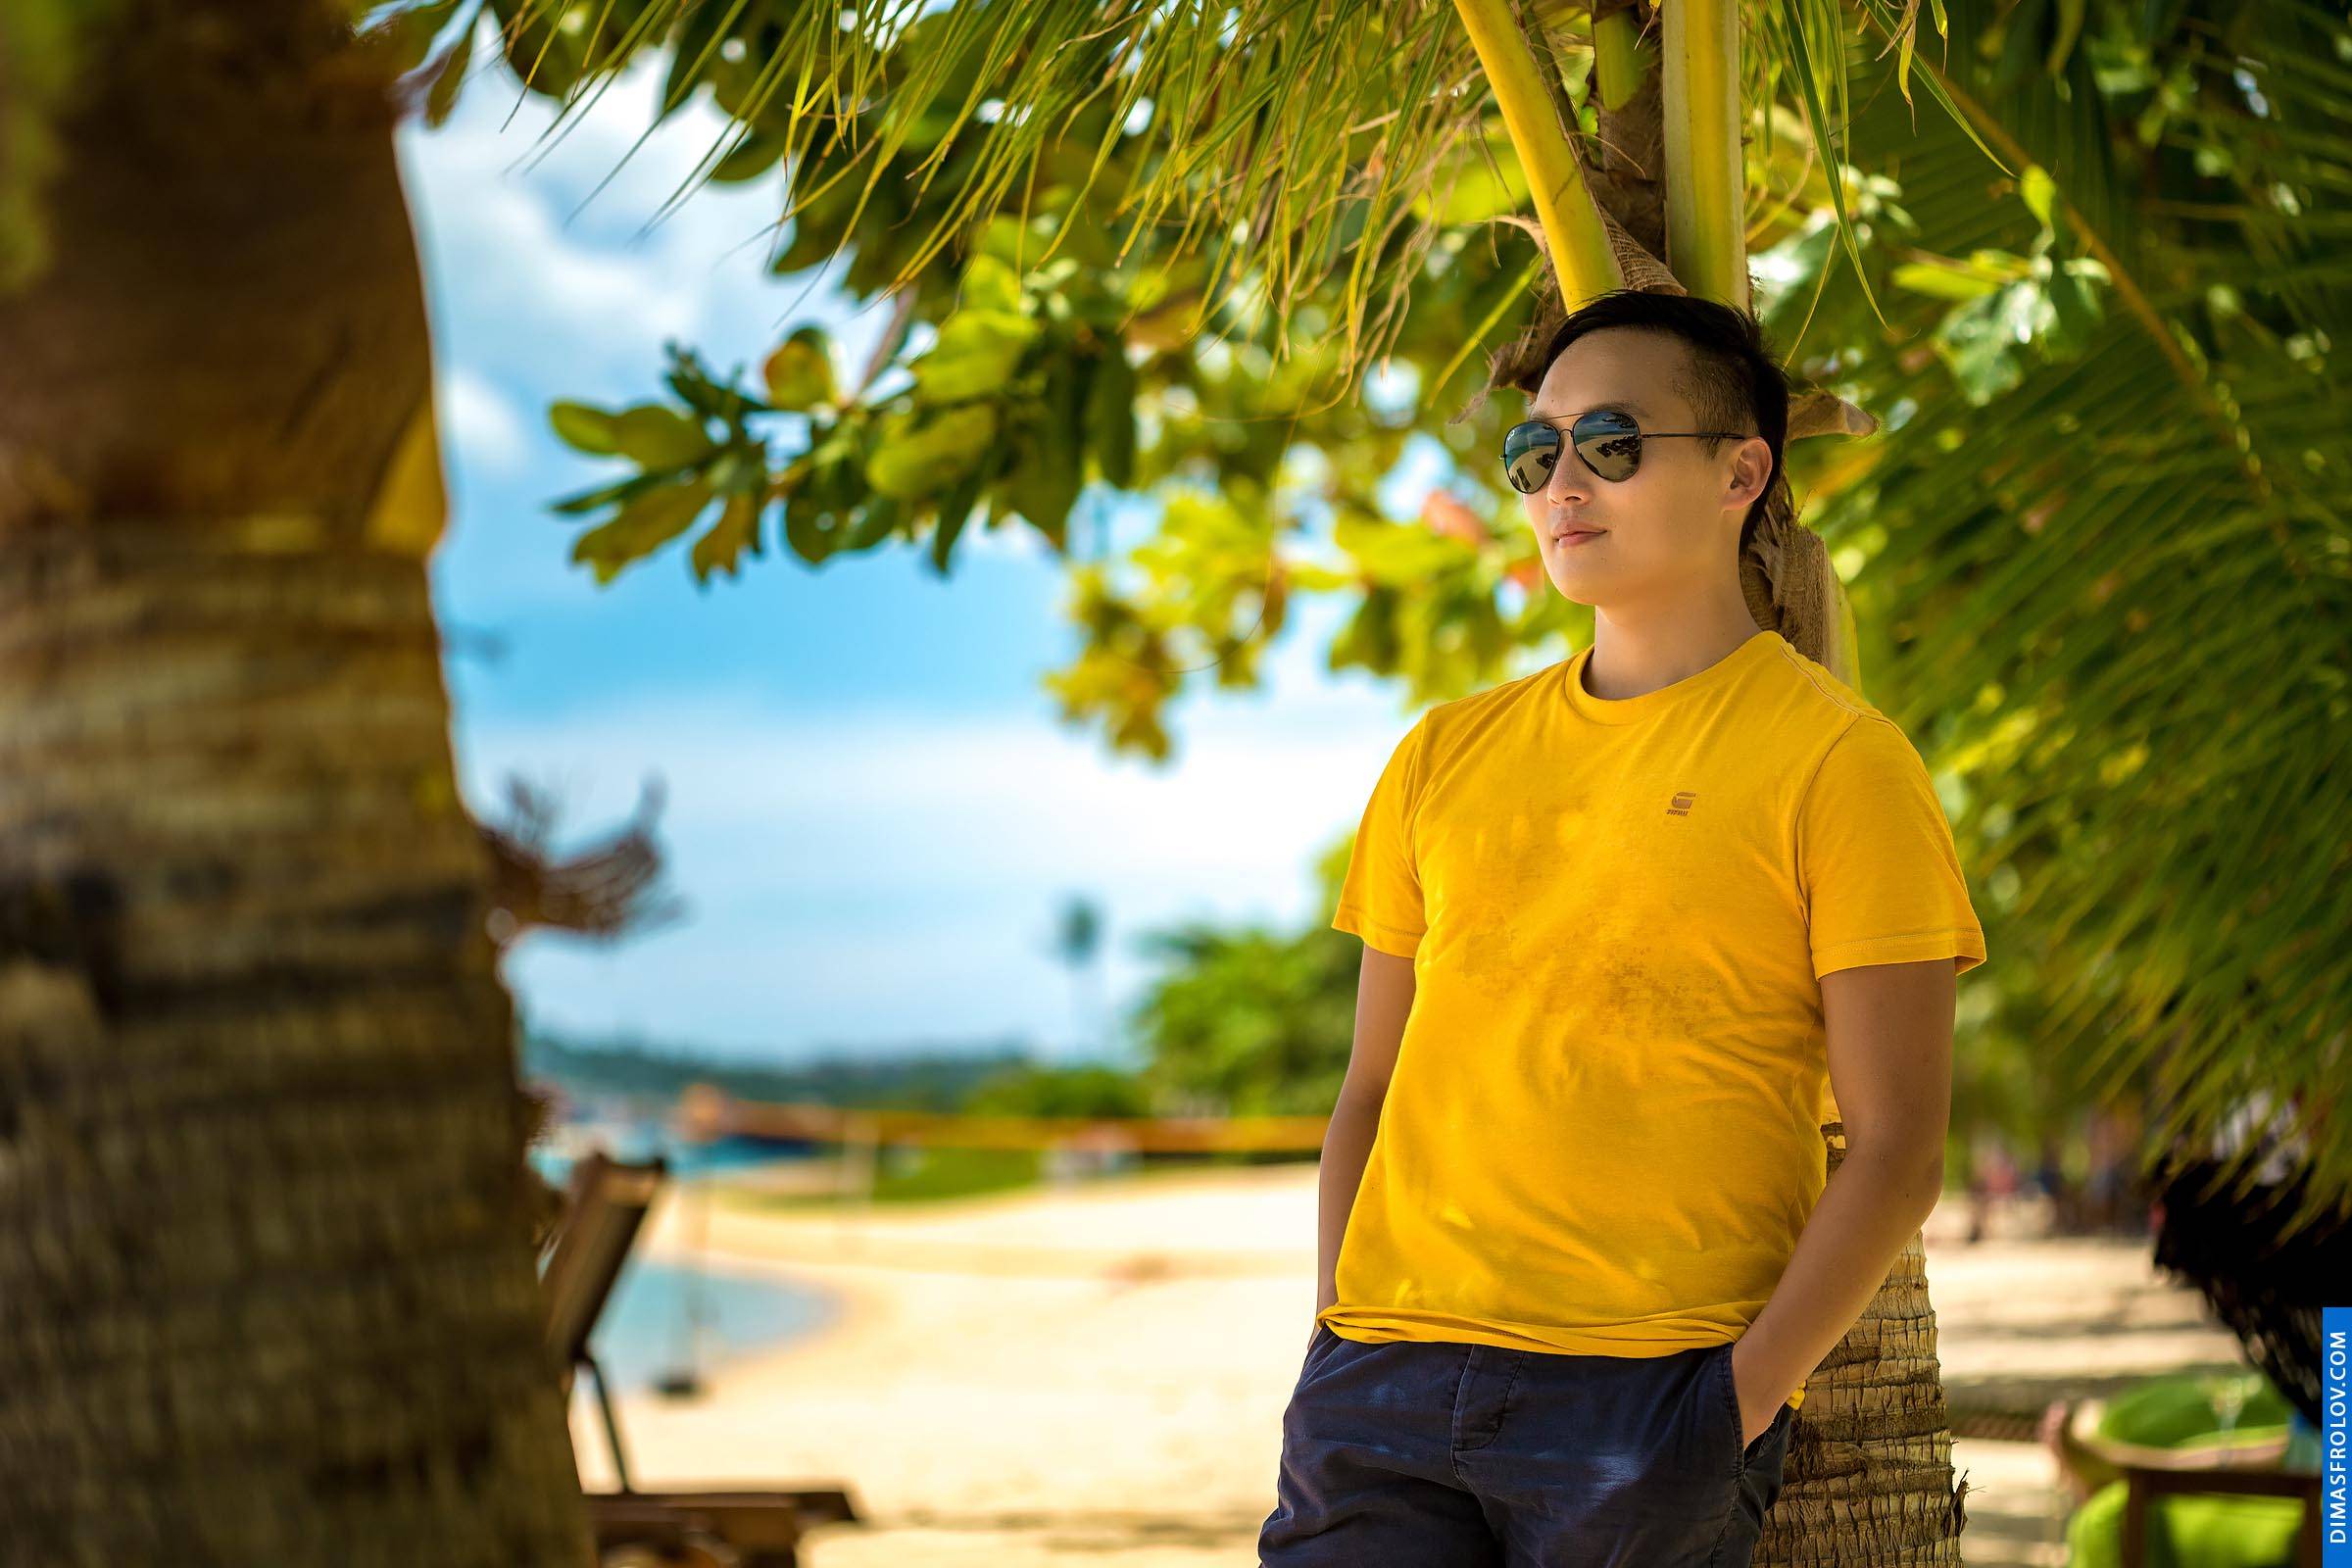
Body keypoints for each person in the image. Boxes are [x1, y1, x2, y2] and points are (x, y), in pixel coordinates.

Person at [1259, 289, 1987, 1567]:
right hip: (1380, 1386)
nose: (1562, 485)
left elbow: (1896, 1151)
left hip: (1647, 1406)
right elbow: (1370, 1085)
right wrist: (1338, 1334)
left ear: (1742, 473)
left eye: (1611, 442)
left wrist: (1728, 1412)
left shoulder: (1843, 764)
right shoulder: (1441, 754)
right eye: (1534, 451)